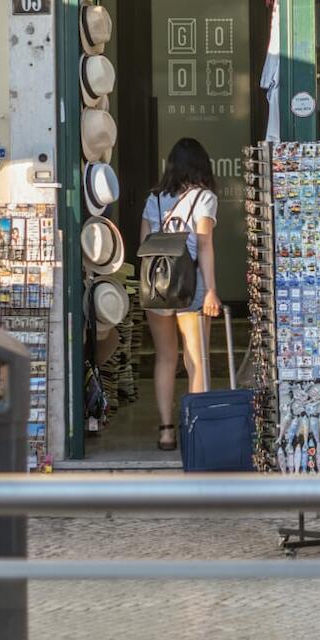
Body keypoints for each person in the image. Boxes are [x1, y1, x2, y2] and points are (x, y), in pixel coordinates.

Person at [139, 138, 221, 452]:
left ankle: (166, 431)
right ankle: (194, 432)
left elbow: (144, 243)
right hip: (190, 285)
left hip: (157, 286)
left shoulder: (154, 198)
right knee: (196, 360)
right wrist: (211, 290)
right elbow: (204, 245)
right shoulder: (205, 197)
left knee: (165, 358)